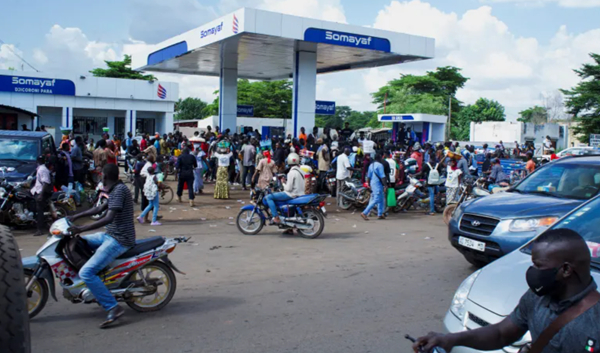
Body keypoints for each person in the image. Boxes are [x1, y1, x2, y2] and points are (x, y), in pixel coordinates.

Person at [414, 228, 600, 353]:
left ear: (566, 270)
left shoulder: (595, 319)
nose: (532, 272)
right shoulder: (537, 297)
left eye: (538, 266)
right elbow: (502, 333)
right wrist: (450, 340)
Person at [67, 164, 135, 328]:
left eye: (101, 175)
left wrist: (81, 228)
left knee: (87, 272)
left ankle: (113, 307)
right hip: (109, 235)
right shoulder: (116, 189)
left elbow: (108, 218)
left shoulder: (119, 191)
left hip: (119, 239)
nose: (99, 178)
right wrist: (75, 216)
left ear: (104, 177)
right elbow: (100, 208)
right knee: (79, 241)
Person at [264, 152, 305, 224]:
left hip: (292, 194)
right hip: (300, 193)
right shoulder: (301, 171)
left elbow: (288, 189)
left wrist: (283, 183)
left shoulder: (291, 172)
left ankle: (276, 217)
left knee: (269, 197)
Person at [31, 156, 55, 236]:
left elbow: (45, 183)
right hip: (37, 190)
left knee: (39, 211)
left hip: (41, 192)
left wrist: (41, 194)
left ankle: (40, 230)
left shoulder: (42, 169)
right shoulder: (40, 168)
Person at [361, 152, 387, 221]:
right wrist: (385, 185)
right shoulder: (380, 165)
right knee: (376, 199)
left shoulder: (371, 165)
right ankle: (365, 212)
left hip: (373, 183)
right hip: (378, 184)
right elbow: (383, 176)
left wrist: (369, 184)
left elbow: (368, 176)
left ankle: (380, 214)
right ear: (380, 158)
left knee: (381, 199)